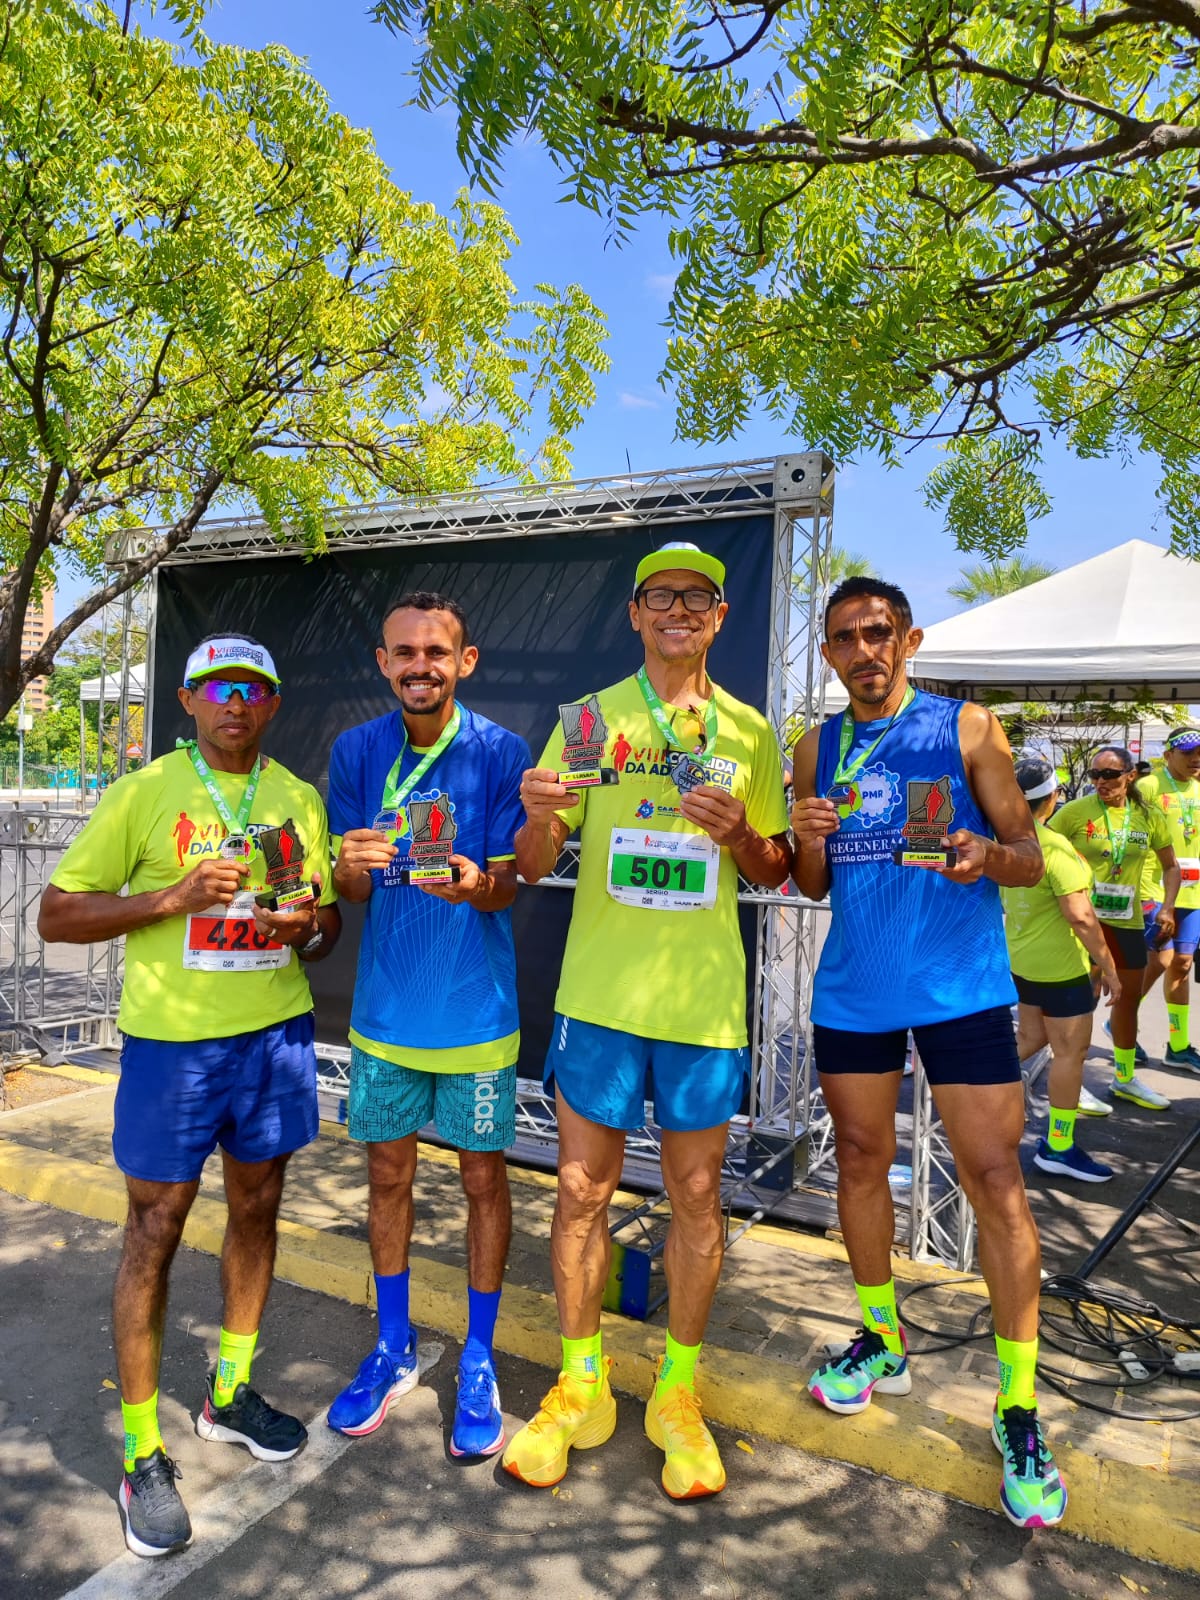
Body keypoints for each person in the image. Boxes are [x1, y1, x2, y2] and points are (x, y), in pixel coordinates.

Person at [38, 635, 340, 1559]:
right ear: (187, 700)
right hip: (173, 1047)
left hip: (274, 1036)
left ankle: (229, 1392)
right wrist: (169, 899)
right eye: (218, 690)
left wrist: (307, 928)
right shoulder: (143, 792)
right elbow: (57, 911)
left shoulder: (298, 798)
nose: (235, 704)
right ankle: (141, 1452)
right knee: (154, 1229)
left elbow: (323, 924)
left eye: (253, 689)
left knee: (257, 1209)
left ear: (273, 703)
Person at [504, 541, 791, 1500]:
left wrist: (741, 834)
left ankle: (677, 1393)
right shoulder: (589, 722)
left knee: (697, 1200)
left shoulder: (749, 732)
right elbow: (539, 856)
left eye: (698, 598)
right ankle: (580, 1383)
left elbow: (776, 868)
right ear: (635, 614)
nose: (678, 610)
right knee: (581, 1192)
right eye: (660, 597)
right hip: (601, 1000)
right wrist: (542, 812)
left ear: (718, 617)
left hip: (702, 1004)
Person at [791, 576, 1066, 1531]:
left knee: (994, 1179)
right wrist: (806, 835)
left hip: (960, 991)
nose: (865, 652)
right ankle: (881, 1342)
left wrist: (985, 856)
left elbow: (1027, 854)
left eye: (879, 634)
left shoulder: (967, 729)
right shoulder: (813, 746)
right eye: (846, 640)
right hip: (858, 988)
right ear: (828, 655)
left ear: (908, 639)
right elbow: (814, 880)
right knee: (862, 1161)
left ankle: (1019, 1405)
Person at [325, 592, 529, 1459]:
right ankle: (393, 1345)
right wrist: (348, 862)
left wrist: (480, 882)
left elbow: (515, 882)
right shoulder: (355, 751)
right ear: (383, 663)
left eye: (436, 652)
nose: (420, 666)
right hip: (384, 1020)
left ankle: (478, 1355)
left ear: (464, 661)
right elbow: (349, 891)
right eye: (404, 652)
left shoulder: (501, 751)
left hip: (476, 1014)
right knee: (388, 1183)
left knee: (485, 1183)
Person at [1003, 759, 1121, 1181]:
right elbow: (1082, 917)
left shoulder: (1005, 842)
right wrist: (1108, 967)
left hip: (1023, 963)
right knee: (1071, 1054)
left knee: (1030, 1037)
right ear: (1051, 799)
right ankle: (1059, 1144)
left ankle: (971, 1079)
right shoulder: (1052, 847)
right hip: (1062, 968)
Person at [1047, 747, 1179, 1110]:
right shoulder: (1075, 811)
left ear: (1130, 775)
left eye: (1110, 775)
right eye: (1095, 775)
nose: (1100, 783)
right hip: (1084, 921)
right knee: (1082, 1003)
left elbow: (1171, 867)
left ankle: (1124, 1078)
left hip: (1128, 921)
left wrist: (1167, 906)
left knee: (1128, 1000)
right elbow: (1042, 850)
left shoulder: (1148, 815)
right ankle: (1076, 1081)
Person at [1137, 728, 1200, 1074]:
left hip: (1194, 890)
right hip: (1155, 889)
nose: (1196, 758)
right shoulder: (1147, 787)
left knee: (1183, 963)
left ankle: (1177, 1046)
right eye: (1188, 752)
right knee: (1159, 960)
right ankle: (1122, 1023)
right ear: (1168, 755)